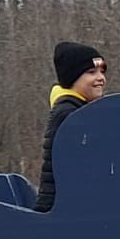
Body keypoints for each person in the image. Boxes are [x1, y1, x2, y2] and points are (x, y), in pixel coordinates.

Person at [35, 41, 107, 213]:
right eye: (91, 72)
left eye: (102, 71)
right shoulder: (70, 114)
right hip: (61, 209)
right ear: (72, 78)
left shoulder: (81, 110)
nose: (100, 77)